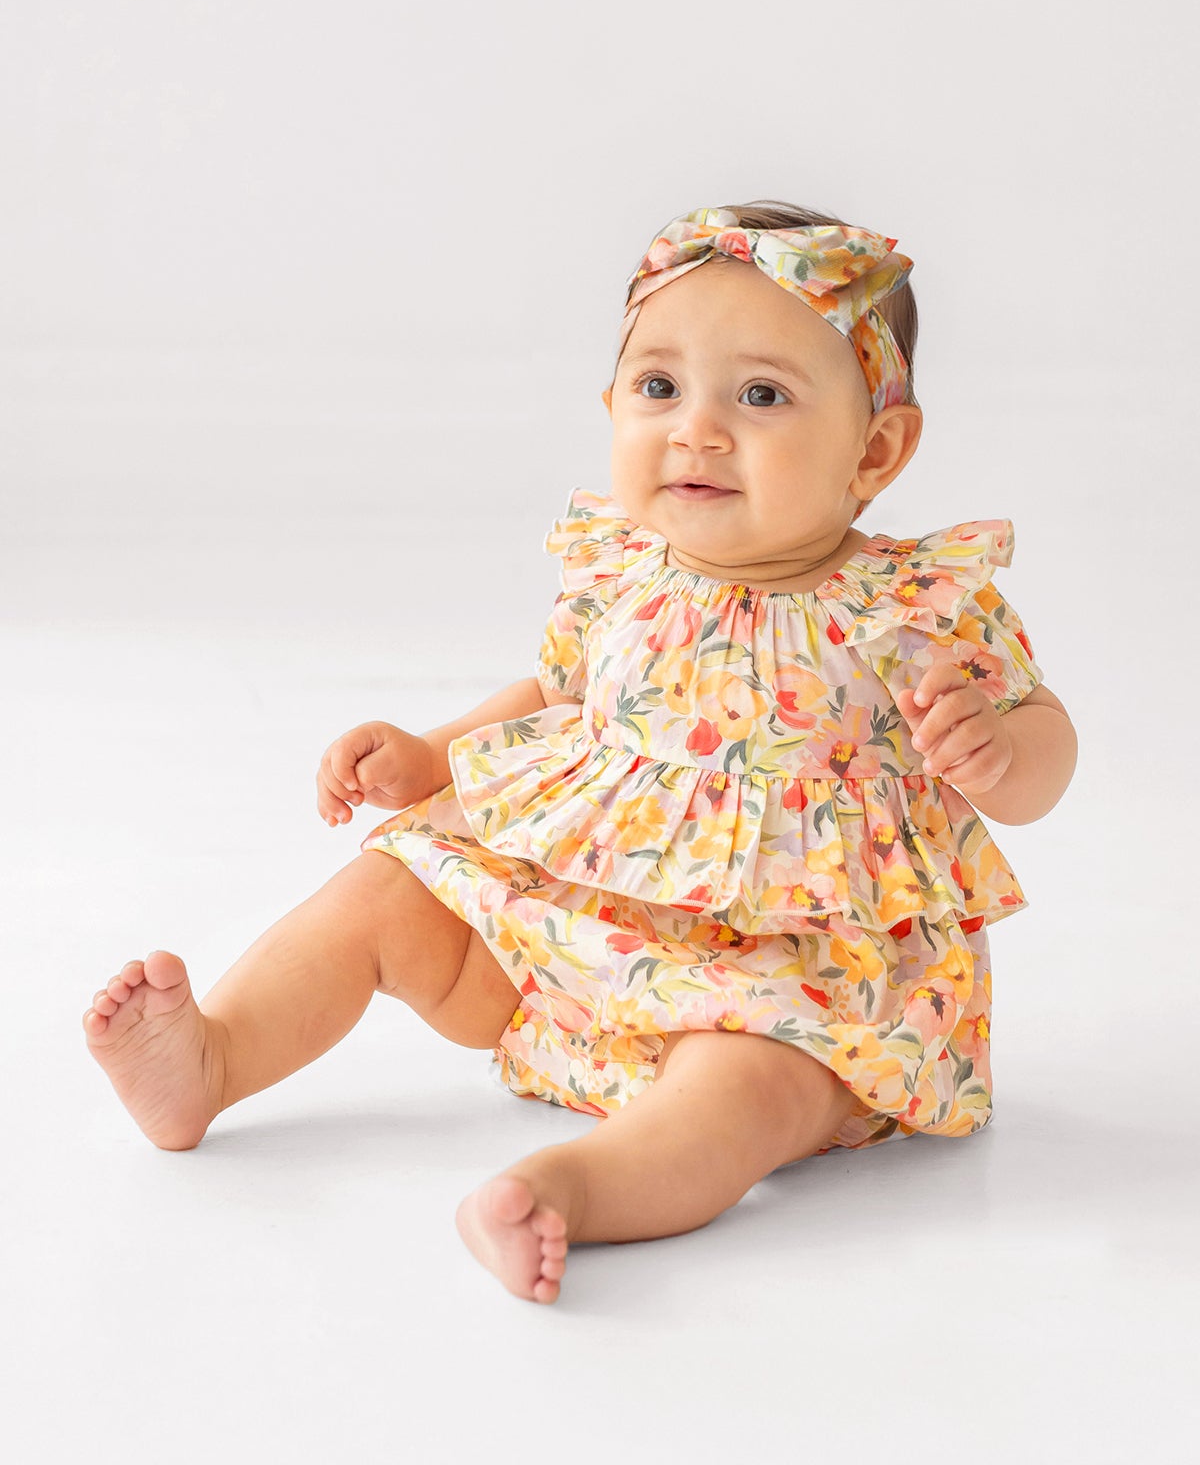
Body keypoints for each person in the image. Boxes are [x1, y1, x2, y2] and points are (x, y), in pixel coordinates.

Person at [82, 199, 1078, 1306]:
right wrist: (431, 755)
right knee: (392, 882)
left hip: (800, 995)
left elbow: (1048, 738)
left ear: (876, 449)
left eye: (760, 395)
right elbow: (554, 702)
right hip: (566, 968)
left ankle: (568, 1189)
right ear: (611, 405)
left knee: (751, 1091)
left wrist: (1001, 754)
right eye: (660, 387)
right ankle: (212, 1057)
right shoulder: (623, 574)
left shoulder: (911, 610)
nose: (696, 430)